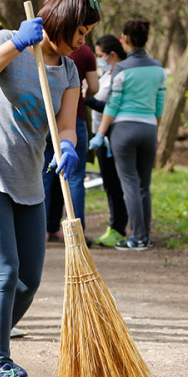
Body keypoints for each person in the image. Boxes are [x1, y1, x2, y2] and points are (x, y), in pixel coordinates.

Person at [0, 0, 97, 377]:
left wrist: (68, 145)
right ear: (65, 21)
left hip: (29, 182)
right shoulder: (6, 43)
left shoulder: (69, 71)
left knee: (28, 280)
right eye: (81, 32)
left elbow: (66, 123)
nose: (83, 42)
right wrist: (17, 42)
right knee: (3, 272)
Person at [88, 19, 166, 250]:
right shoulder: (158, 68)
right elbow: (159, 106)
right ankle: (145, 236)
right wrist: (155, 129)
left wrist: (100, 134)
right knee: (144, 185)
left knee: (129, 184)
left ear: (127, 41)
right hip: (149, 128)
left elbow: (112, 105)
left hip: (124, 130)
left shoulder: (122, 68)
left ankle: (137, 238)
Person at [43, 40, 97, 239]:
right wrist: (83, 97)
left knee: (46, 175)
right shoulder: (85, 52)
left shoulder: (41, 50)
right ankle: (77, 233)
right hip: (75, 119)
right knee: (74, 178)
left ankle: (44, 229)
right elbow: (95, 86)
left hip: (47, 121)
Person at [86, 34, 129, 247]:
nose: (98, 59)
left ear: (112, 55)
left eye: (100, 55)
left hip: (111, 137)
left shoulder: (119, 76)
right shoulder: (107, 74)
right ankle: (115, 226)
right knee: (110, 186)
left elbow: (113, 107)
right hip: (100, 136)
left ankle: (119, 228)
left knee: (115, 185)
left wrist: (88, 100)